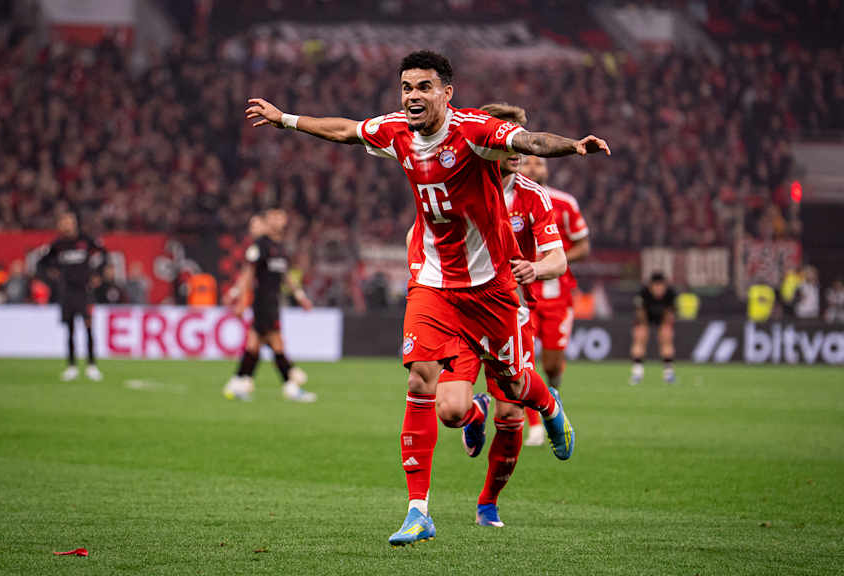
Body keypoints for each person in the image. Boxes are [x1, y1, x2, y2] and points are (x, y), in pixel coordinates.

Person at [245, 50, 608, 546]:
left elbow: (529, 140)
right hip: (433, 285)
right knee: (422, 382)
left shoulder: (476, 132)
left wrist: (573, 147)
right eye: (407, 88)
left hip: (490, 288)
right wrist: (285, 119)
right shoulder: (396, 131)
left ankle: (548, 403)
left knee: (513, 386)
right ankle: (418, 511)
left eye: (423, 87)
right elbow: (346, 130)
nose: (413, 96)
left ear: (446, 93)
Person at [411, 102, 567, 528]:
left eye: (519, 140)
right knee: (449, 413)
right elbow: (421, 229)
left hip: (508, 312)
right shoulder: (460, 178)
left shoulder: (533, 197)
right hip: (458, 309)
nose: (515, 150)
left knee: (512, 411)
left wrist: (535, 268)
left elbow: (559, 259)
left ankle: (488, 503)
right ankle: (475, 412)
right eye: (506, 138)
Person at [520, 155, 590, 446]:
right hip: (522, 292)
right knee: (523, 359)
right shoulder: (505, 198)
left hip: (558, 294)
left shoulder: (564, 203)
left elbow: (583, 246)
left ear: (547, 170)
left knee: (551, 364)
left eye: (540, 164)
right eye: (528, 163)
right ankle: (534, 424)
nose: (534, 168)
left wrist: (553, 260)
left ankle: (553, 401)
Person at [223, 210, 317, 403]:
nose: (278, 220)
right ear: (267, 222)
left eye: (281, 217)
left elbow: (286, 276)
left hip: (274, 301)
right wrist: (240, 300)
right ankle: (291, 380)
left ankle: (238, 381)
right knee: (276, 342)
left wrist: (300, 297)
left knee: (254, 344)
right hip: (263, 302)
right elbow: (248, 274)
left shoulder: (280, 248)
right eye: (273, 217)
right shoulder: (260, 245)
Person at [36, 212, 106, 381]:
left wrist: (98, 274)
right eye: (64, 222)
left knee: (88, 327)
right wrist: (51, 277)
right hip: (67, 292)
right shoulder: (58, 245)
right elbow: (41, 263)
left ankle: (91, 365)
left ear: (75, 223)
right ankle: (72, 366)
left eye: (69, 222)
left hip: (84, 291)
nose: (67, 225)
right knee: (70, 329)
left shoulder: (86, 241)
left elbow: (104, 255)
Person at [630, 272, 677, 385]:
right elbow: (640, 314)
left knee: (666, 335)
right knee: (640, 335)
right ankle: (637, 373)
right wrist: (644, 326)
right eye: (656, 286)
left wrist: (664, 327)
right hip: (645, 317)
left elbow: (669, 315)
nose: (659, 289)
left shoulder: (670, 293)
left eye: (661, 286)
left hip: (662, 317)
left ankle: (668, 373)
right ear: (651, 286)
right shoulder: (643, 293)